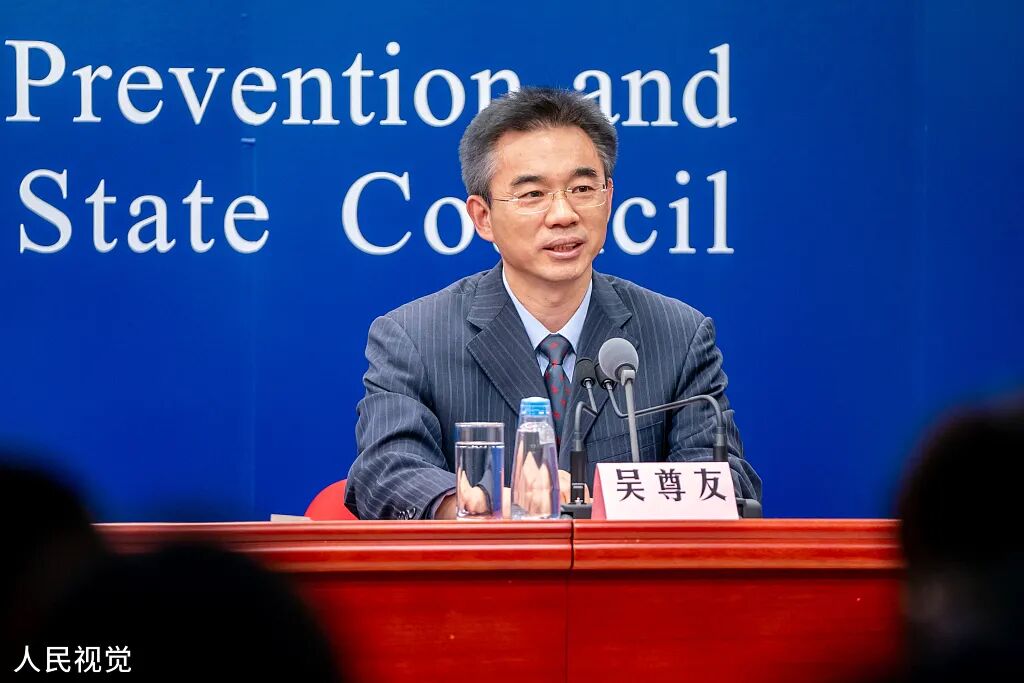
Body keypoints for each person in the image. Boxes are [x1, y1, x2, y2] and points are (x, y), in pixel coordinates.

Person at [345, 87, 761, 520]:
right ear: (483, 217)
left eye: (582, 188)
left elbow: (727, 482)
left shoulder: (678, 334)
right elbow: (385, 471)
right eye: (533, 194)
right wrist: (485, 506)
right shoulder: (413, 337)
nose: (563, 214)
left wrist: (605, 506)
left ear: (608, 198)